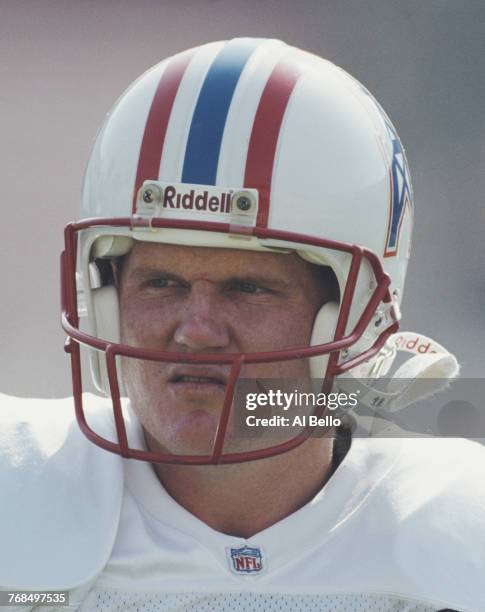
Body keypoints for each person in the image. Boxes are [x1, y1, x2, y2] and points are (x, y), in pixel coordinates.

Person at [1, 37, 484, 612]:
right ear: (106, 299)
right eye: (161, 283)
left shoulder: (461, 533)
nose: (196, 329)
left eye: (248, 288)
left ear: (355, 313)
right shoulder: (16, 486)